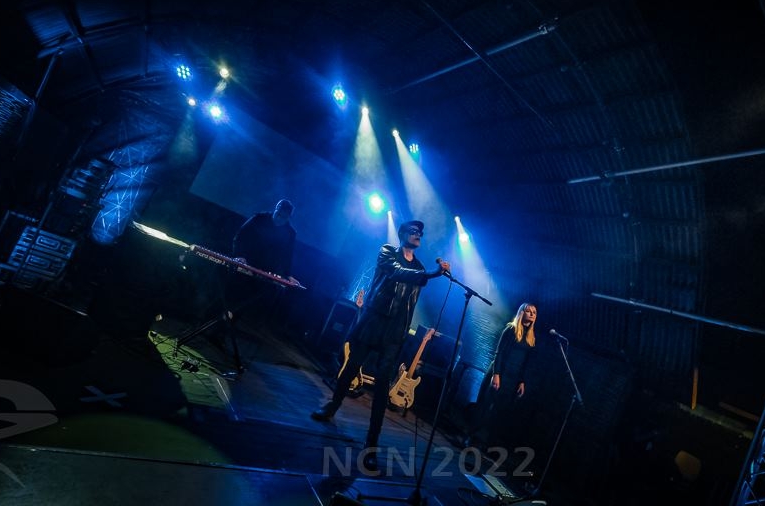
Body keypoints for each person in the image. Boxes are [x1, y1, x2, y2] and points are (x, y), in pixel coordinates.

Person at [310, 219, 450, 471]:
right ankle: (332, 406)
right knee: (351, 367)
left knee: (384, 384)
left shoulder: (419, 267)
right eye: (413, 230)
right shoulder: (388, 252)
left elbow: (413, 292)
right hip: (374, 320)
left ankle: (371, 444)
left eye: (420, 232)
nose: (418, 234)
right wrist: (431, 273)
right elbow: (396, 272)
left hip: (394, 330)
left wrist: (429, 274)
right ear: (402, 233)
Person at [463, 302, 538, 449]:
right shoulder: (510, 329)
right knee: (484, 405)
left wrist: (522, 381)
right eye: (529, 311)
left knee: (499, 411)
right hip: (499, 372)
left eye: (534, 312)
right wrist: (496, 374)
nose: (532, 314)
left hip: (513, 378)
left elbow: (526, 363)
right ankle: (469, 436)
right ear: (521, 313)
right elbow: (499, 353)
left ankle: (487, 444)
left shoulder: (531, 338)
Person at [225, 198, 300, 328]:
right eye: (278, 214)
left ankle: (227, 327)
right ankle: (215, 321)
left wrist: (288, 275)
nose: (279, 219)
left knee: (247, 301)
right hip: (245, 262)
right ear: (275, 209)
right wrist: (240, 255)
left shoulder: (290, 233)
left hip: (264, 270)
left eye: (283, 218)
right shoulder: (259, 218)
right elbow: (240, 236)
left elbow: (287, 256)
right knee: (231, 294)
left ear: (288, 218)